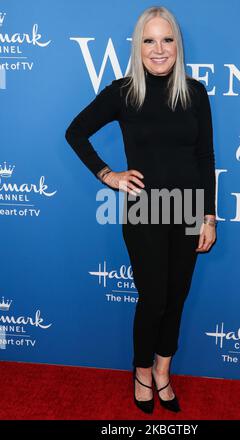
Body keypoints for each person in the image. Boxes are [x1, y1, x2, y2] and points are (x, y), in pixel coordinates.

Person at [65, 6, 217, 414]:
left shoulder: (195, 92)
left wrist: (208, 216)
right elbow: (75, 131)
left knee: (177, 297)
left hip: (187, 209)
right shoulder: (123, 92)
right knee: (153, 299)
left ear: (177, 44)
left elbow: (205, 157)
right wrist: (108, 175)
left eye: (167, 39)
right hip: (144, 211)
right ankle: (142, 372)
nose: (159, 49)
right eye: (149, 40)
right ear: (138, 45)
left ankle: (164, 372)